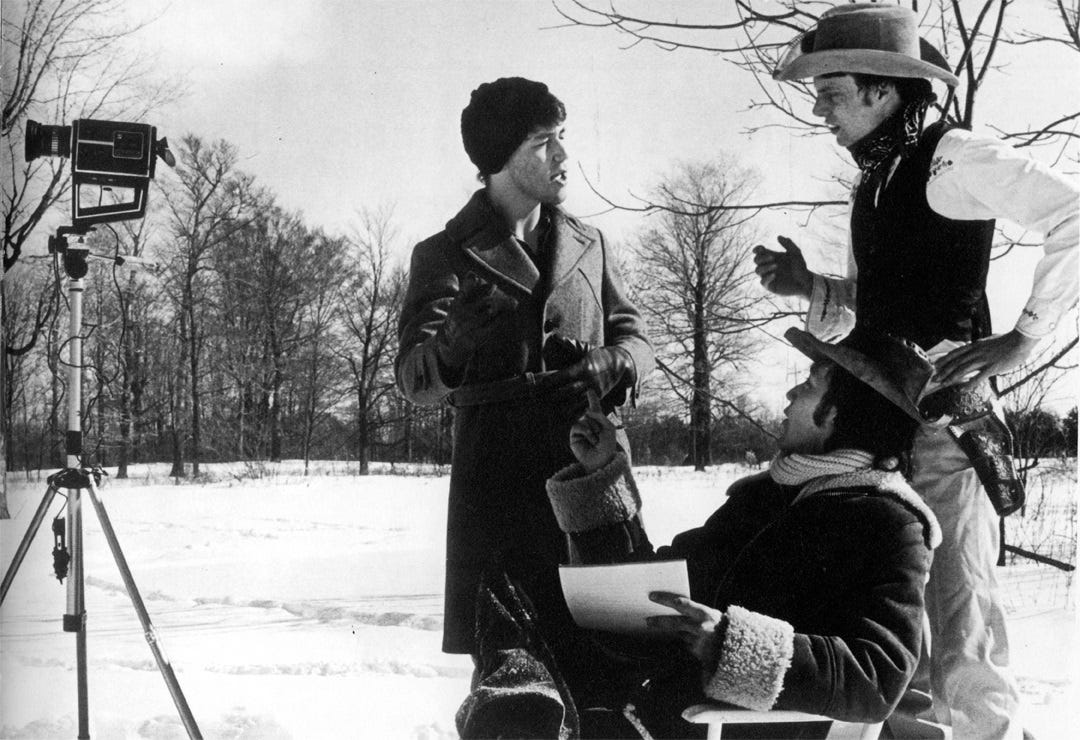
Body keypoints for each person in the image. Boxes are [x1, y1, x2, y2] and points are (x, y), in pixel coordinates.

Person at [753, 5, 1079, 738]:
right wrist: (813, 289)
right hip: (879, 428)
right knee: (893, 622)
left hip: (944, 427)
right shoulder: (873, 180)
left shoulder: (954, 156)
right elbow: (878, 310)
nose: (819, 111)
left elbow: (1075, 214)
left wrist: (1024, 339)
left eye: (832, 94)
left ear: (883, 90)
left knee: (959, 618)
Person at [457, 326, 942, 740]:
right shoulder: (764, 497)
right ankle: (519, 711)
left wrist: (728, 643)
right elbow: (665, 583)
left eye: (810, 386)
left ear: (839, 412)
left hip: (724, 726)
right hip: (656, 695)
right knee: (515, 571)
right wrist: (604, 472)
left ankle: (521, 716)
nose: (790, 396)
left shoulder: (890, 522)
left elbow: (878, 676)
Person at [395, 77, 655, 659]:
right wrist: (454, 344)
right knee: (512, 677)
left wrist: (620, 360)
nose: (563, 155)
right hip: (497, 492)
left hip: (587, 474)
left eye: (562, 136)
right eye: (544, 142)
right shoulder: (442, 254)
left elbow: (637, 335)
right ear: (499, 157)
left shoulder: (592, 243)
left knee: (609, 656)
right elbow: (415, 381)